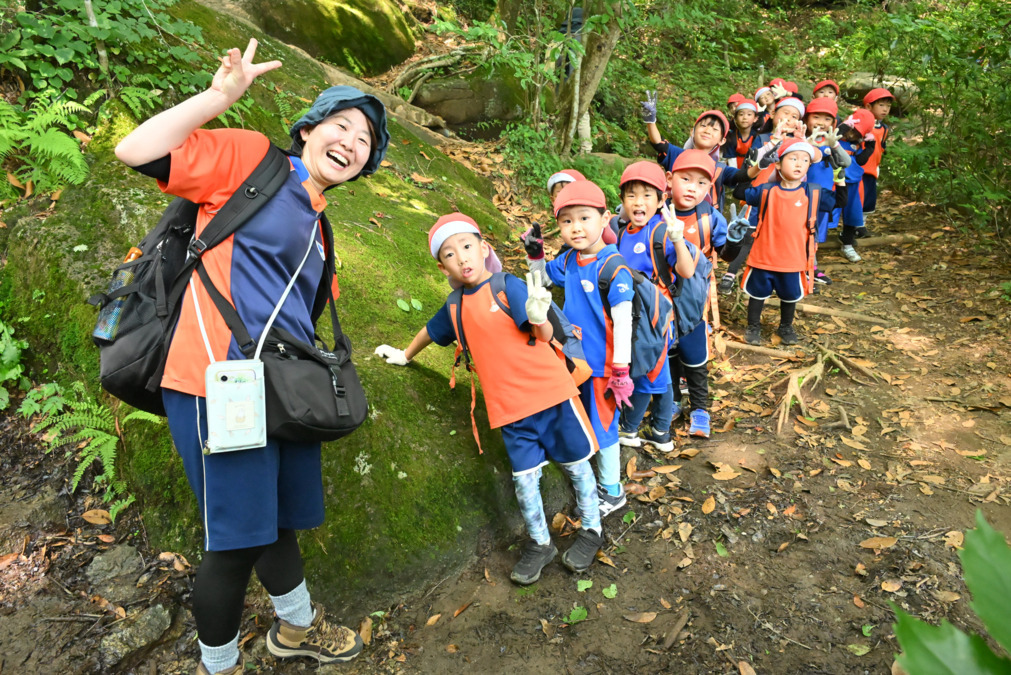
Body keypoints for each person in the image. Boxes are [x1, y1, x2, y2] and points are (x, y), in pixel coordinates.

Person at [114, 39, 389, 674]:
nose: (351, 141)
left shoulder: (320, 228)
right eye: (340, 124)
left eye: (365, 141)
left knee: (279, 523)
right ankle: (219, 664)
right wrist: (218, 99)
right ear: (309, 128)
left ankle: (295, 628)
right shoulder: (252, 160)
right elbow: (136, 151)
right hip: (216, 383)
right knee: (235, 542)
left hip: (279, 390)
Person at [373, 214, 603, 585]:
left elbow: (542, 332)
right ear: (441, 265)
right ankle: (540, 542)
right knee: (525, 480)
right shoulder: (454, 306)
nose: (461, 258)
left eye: (466, 247)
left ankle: (592, 529)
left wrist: (539, 316)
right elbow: (430, 332)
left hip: (552, 395)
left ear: (483, 248)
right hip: (509, 411)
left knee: (576, 464)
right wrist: (404, 354)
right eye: (450, 254)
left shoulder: (506, 285)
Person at [525, 181, 635, 518]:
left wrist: (621, 370)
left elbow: (624, 321)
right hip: (574, 362)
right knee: (581, 419)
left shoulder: (613, 268)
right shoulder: (570, 259)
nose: (576, 228)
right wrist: (536, 255)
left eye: (585, 218)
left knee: (605, 429)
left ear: (604, 219)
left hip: (604, 368)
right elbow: (543, 280)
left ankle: (613, 492)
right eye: (567, 221)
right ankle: (588, 475)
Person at [612, 162, 698, 452]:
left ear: (662, 200)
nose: (639, 202)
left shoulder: (661, 232)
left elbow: (685, 271)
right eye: (632, 195)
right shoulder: (623, 231)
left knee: (647, 372)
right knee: (656, 371)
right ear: (622, 200)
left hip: (656, 318)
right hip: (633, 316)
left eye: (648, 195)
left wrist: (678, 239)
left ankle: (631, 428)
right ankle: (660, 431)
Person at [733, 139, 844, 345]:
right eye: (793, 158)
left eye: (805, 160)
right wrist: (754, 167)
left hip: (793, 259)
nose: (799, 163)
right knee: (757, 295)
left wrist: (840, 178)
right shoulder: (767, 190)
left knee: (789, 296)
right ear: (778, 164)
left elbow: (839, 202)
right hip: (763, 256)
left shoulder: (813, 192)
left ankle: (785, 327)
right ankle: (753, 327)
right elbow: (739, 193)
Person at [803, 97, 851, 285]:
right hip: (800, 194)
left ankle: (811, 267)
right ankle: (800, 268)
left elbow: (846, 162)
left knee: (815, 234)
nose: (821, 123)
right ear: (807, 119)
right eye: (816, 117)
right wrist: (806, 142)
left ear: (834, 123)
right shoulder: (799, 139)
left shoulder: (831, 141)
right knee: (800, 232)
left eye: (827, 119)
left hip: (823, 196)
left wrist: (834, 145)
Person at [836, 108, 877, 261]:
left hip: (853, 181)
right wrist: (844, 127)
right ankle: (814, 242)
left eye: (857, 133)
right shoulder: (838, 136)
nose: (851, 135)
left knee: (852, 212)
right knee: (826, 211)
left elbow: (860, 161)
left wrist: (870, 147)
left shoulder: (856, 145)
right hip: (834, 179)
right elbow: (833, 137)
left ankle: (847, 242)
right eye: (852, 130)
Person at [861, 88, 893, 217]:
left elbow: (881, 147)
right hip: (859, 168)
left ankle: (862, 226)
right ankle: (852, 227)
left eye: (888, 106)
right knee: (857, 198)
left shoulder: (884, 129)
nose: (885, 109)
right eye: (881, 105)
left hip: (873, 169)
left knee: (869, 199)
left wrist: (877, 166)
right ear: (869, 106)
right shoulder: (862, 125)